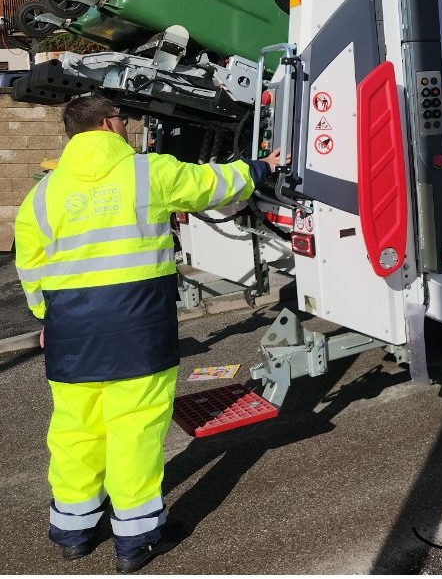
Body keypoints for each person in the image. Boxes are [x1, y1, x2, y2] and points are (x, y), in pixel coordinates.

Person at [14, 93, 286, 573]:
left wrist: (45, 319)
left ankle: (74, 532)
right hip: (137, 328)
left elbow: (31, 269)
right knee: (134, 430)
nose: (126, 125)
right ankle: (136, 538)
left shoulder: (41, 195)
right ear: (108, 125)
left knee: (75, 431)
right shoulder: (147, 172)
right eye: (122, 118)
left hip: (71, 333)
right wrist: (260, 166)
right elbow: (212, 184)